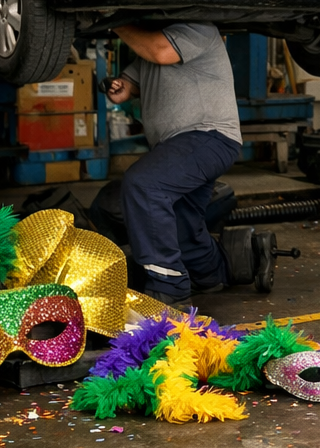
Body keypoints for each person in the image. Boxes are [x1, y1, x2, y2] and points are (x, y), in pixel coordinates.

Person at [104, 22, 243, 304]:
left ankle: (169, 287)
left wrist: (115, 21)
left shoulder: (199, 29)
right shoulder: (151, 44)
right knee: (181, 221)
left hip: (208, 136)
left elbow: (160, 51)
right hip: (186, 143)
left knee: (144, 185)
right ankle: (210, 275)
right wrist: (119, 86)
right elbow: (129, 86)